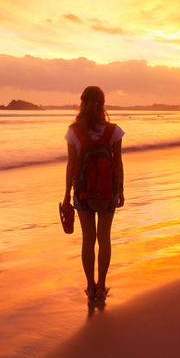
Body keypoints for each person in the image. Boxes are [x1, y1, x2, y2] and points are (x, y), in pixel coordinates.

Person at [63, 86, 125, 301]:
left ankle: (90, 287)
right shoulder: (113, 131)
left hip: (82, 192)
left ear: (82, 102)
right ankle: (102, 287)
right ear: (103, 102)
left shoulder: (74, 131)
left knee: (88, 239)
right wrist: (121, 190)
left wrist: (65, 196)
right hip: (109, 191)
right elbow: (117, 161)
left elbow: (71, 166)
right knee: (104, 238)